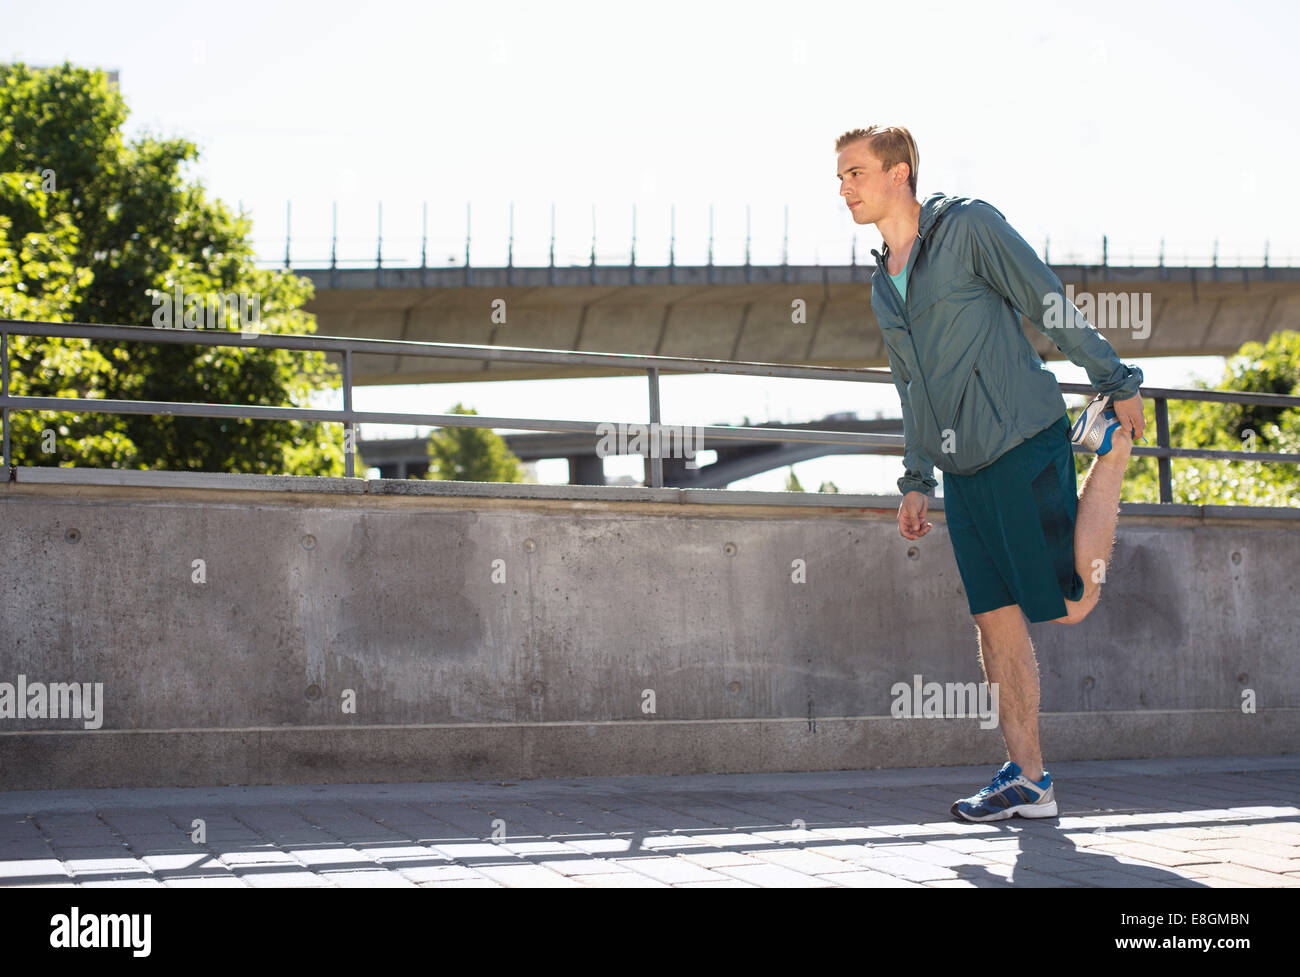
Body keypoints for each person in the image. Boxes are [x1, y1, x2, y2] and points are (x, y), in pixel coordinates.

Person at [835, 125, 1147, 822]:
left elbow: (1046, 300)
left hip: (1020, 439)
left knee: (1070, 600)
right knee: (995, 621)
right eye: (841, 177)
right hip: (962, 468)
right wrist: (916, 478)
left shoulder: (969, 227)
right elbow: (910, 384)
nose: (845, 188)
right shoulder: (885, 281)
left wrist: (1114, 375)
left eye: (855, 172)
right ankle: (1027, 778)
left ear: (899, 174)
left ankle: (1108, 448)